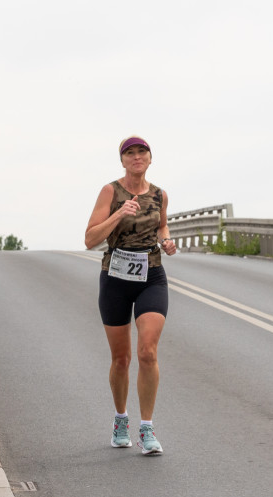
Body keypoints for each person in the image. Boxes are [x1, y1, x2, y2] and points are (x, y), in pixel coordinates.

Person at [85, 136, 177, 455]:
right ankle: (121, 419)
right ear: (122, 161)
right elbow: (89, 238)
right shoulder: (111, 191)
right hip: (115, 277)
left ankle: (147, 429)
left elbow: (162, 226)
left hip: (151, 274)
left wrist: (167, 241)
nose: (136, 157)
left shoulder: (160, 195)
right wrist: (118, 214)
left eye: (142, 152)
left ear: (150, 158)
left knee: (147, 351)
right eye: (130, 153)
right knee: (121, 359)